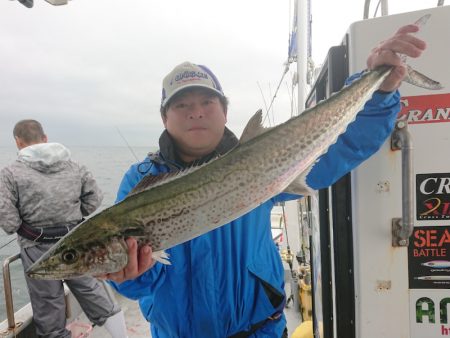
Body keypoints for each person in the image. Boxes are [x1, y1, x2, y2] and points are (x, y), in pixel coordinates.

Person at [104, 23, 426, 338]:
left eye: (207, 102)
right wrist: (129, 276)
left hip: (261, 332)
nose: (196, 112)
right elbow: (139, 281)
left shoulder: (264, 159)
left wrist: (380, 90)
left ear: (225, 111)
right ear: (165, 116)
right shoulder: (142, 181)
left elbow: (347, 146)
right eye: (182, 105)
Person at [0, 120, 129, 338]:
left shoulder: (10, 173)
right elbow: (94, 199)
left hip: (36, 248)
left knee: (48, 305)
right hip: (77, 241)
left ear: (18, 142)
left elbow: (8, 219)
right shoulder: (75, 166)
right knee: (92, 290)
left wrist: (25, 224)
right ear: (45, 138)